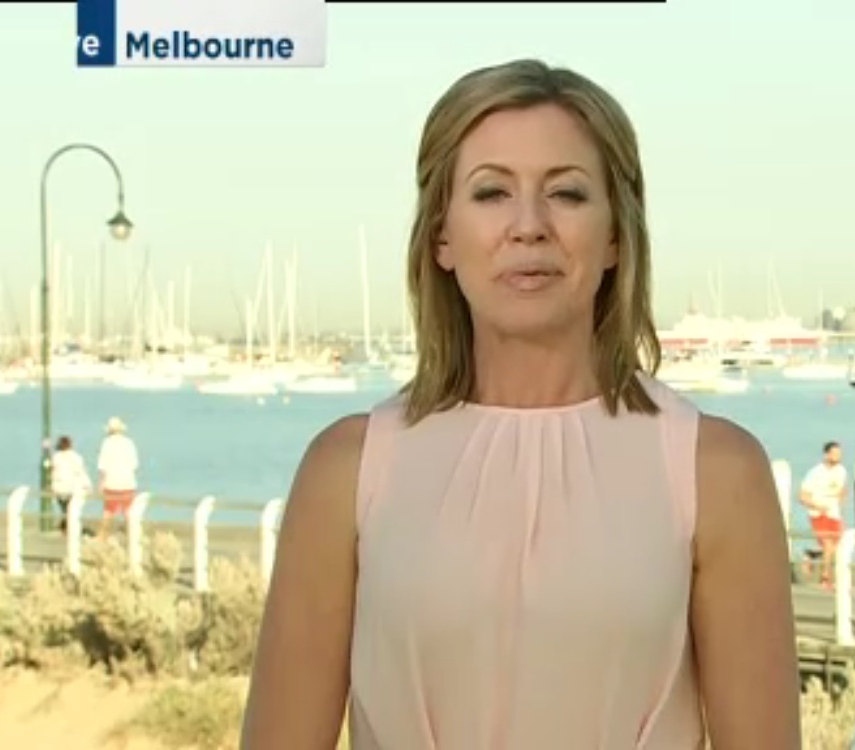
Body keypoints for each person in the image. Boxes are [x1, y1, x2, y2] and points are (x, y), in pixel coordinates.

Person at [241, 59, 802, 749]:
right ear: (441, 236)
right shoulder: (346, 470)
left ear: (616, 236)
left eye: (566, 193)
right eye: (491, 193)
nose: (529, 225)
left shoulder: (716, 472)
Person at [799, 441, 848, 589]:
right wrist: (817, 506)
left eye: (839, 454)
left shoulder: (841, 471)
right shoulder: (815, 473)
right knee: (828, 544)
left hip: (834, 514)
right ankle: (825, 578)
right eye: (834, 454)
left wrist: (841, 500)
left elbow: (843, 490)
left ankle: (811, 555)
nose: (837, 457)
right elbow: (802, 496)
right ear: (826, 455)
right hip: (818, 513)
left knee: (835, 547)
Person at [96, 416, 139, 540]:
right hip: (128, 482)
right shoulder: (129, 443)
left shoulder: (106, 443)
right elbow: (135, 465)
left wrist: (100, 483)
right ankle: (134, 537)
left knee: (108, 512)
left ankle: (102, 537)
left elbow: (103, 466)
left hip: (111, 482)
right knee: (128, 513)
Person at [50, 435, 92, 532]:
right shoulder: (76, 457)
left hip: (59, 488)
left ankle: (66, 524)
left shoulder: (56, 457)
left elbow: (53, 473)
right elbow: (81, 472)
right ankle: (69, 525)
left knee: (65, 508)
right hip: (72, 487)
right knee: (71, 508)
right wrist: (88, 486)